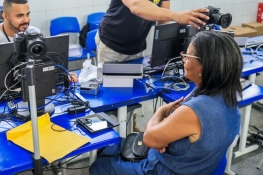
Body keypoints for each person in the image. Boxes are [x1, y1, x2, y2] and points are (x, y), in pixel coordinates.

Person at [89, 30, 242, 174]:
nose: (183, 61)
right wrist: (164, 137)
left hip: (161, 170)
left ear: (205, 65)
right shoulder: (228, 96)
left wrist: (160, 112)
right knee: (111, 147)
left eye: (187, 57)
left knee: (99, 166)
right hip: (195, 164)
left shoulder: (195, 110)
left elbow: (148, 138)